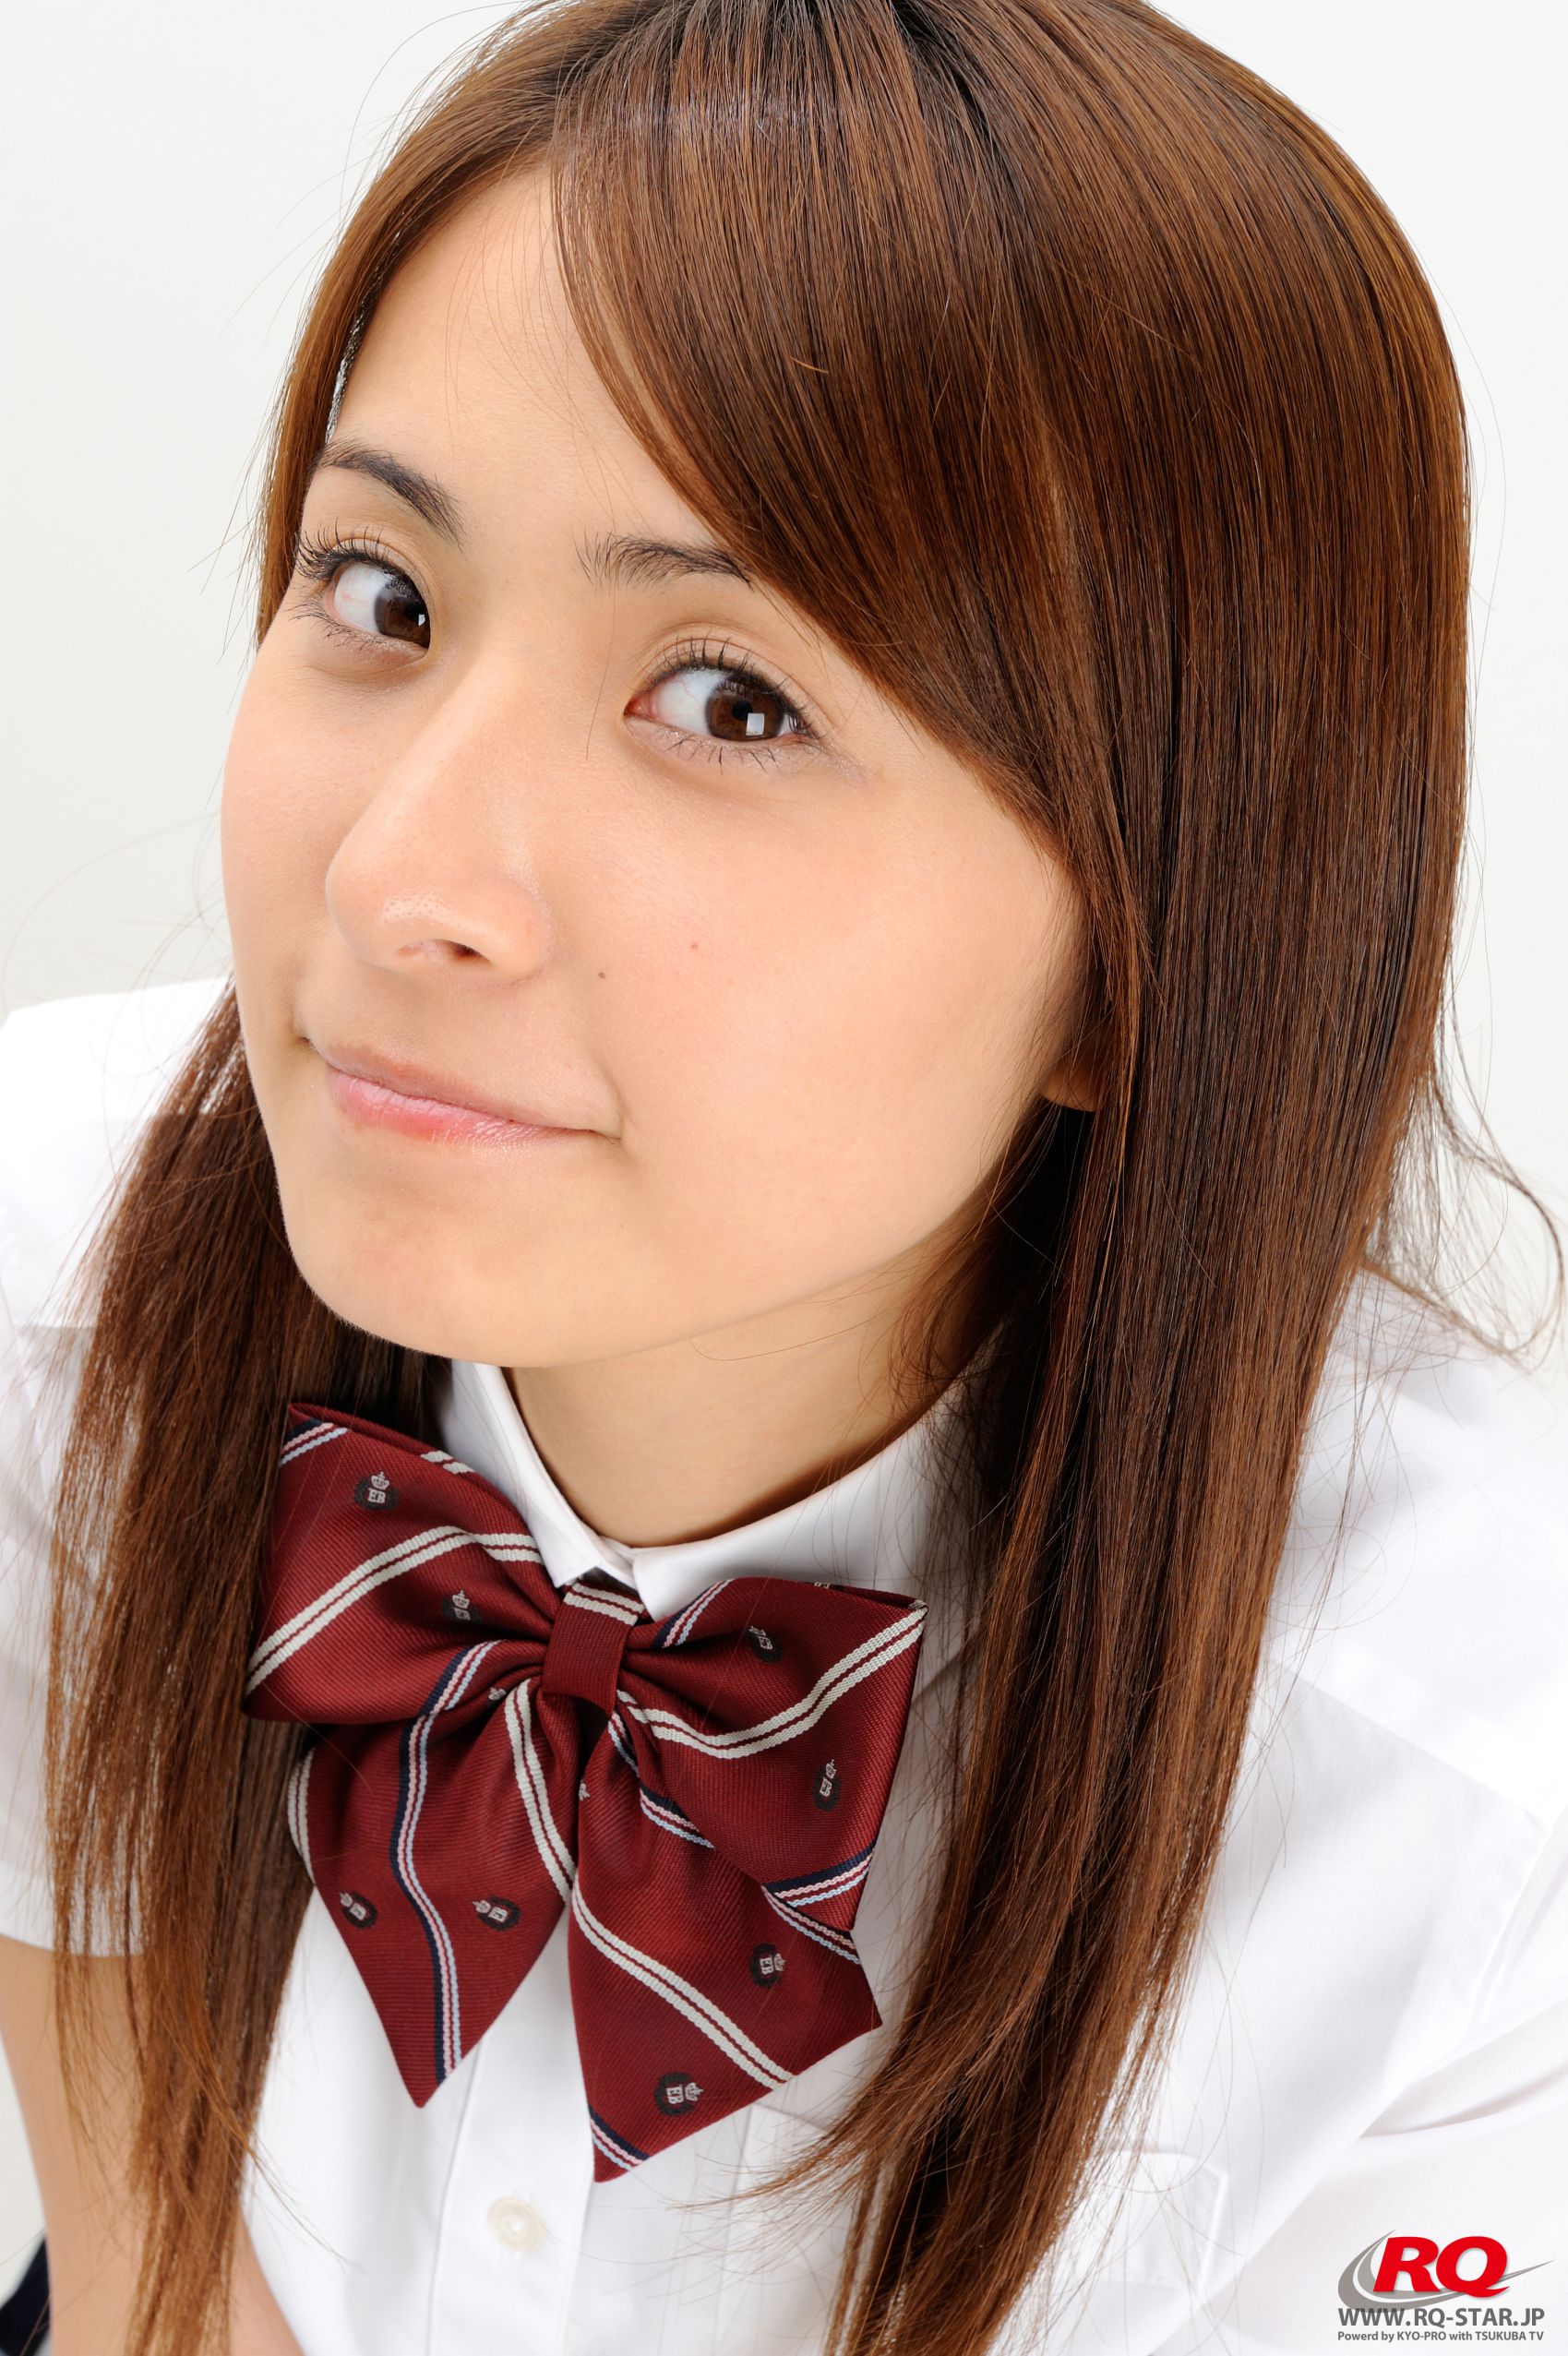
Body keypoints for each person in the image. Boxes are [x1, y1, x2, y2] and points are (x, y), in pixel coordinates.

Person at [3, 2, 1566, 2351]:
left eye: (731, 700)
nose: (402, 882)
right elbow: (153, 2276)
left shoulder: (1477, 1792)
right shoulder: (54, 1272)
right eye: (384, 594)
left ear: (1141, 955)